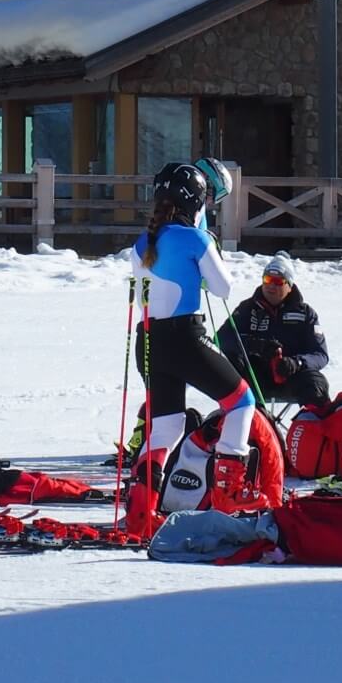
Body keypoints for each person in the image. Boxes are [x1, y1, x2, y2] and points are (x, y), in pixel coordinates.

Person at [131, 161, 255, 493]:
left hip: (148, 341)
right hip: (184, 337)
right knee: (241, 402)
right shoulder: (196, 239)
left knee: (166, 427)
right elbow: (223, 289)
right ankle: (229, 492)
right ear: (195, 201)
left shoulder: (142, 242)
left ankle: (141, 504)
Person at [218, 254, 331, 409]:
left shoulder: (305, 313)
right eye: (267, 279)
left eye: (278, 282)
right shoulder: (247, 308)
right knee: (229, 364)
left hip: (289, 376)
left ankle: (311, 422)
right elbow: (220, 339)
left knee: (317, 382)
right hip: (253, 377)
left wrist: (296, 362)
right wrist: (254, 345)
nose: (271, 286)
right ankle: (236, 419)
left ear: (289, 286)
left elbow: (320, 355)